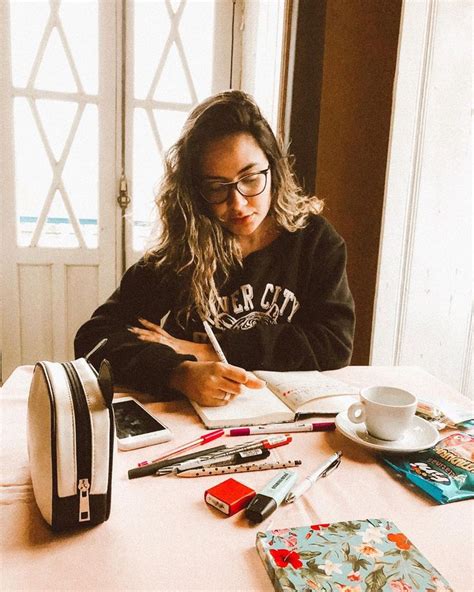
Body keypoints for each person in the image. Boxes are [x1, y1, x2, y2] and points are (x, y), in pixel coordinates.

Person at [75, 90, 355, 407]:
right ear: (196, 192)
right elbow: (94, 339)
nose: (237, 203)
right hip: (195, 420)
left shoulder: (315, 241)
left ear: (273, 169)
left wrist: (209, 349)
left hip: (289, 413)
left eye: (250, 178)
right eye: (216, 187)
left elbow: (335, 342)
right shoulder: (182, 251)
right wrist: (178, 373)